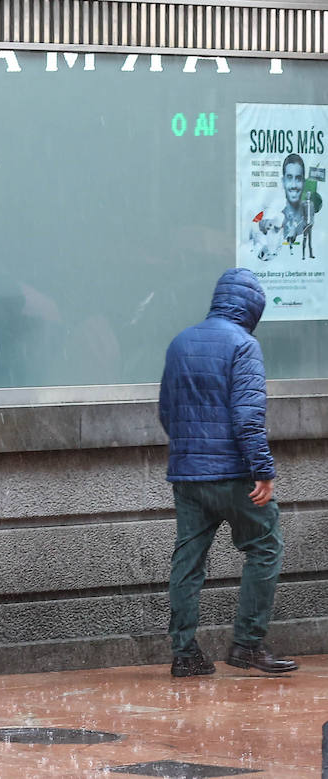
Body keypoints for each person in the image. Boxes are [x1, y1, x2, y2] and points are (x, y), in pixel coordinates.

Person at [158, 268, 297, 678]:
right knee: (265, 547)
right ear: (252, 306)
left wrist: (191, 452)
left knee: (188, 560)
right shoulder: (244, 345)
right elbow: (249, 418)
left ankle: (184, 653)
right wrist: (263, 471)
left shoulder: (181, 341)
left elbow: (167, 411)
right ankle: (247, 644)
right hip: (234, 475)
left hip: (187, 476)